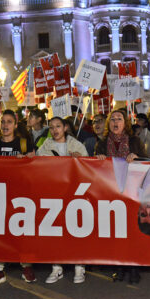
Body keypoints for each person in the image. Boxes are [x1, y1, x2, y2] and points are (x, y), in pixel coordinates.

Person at [0, 110, 36, 287]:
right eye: (2, 122)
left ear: (15, 125)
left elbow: (36, 167)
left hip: (20, 194)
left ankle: (27, 266)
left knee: (23, 231)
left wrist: (30, 158)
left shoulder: (25, 143)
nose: (5, 125)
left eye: (9, 122)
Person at [95, 109, 146, 284]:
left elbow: (145, 162)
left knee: (132, 231)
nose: (116, 122)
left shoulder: (134, 141)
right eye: (113, 120)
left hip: (131, 192)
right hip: (111, 191)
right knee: (116, 231)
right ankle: (119, 267)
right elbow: (95, 168)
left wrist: (137, 157)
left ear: (125, 123)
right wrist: (99, 159)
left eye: (119, 119)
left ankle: (134, 267)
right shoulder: (102, 143)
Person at [37, 116, 89, 284]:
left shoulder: (76, 145)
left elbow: (88, 166)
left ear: (65, 127)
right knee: (55, 230)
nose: (54, 130)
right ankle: (57, 267)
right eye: (51, 127)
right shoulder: (45, 145)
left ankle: (79, 266)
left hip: (74, 194)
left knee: (76, 229)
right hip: (54, 193)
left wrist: (79, 158)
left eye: (58, 126)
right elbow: (37, 164)